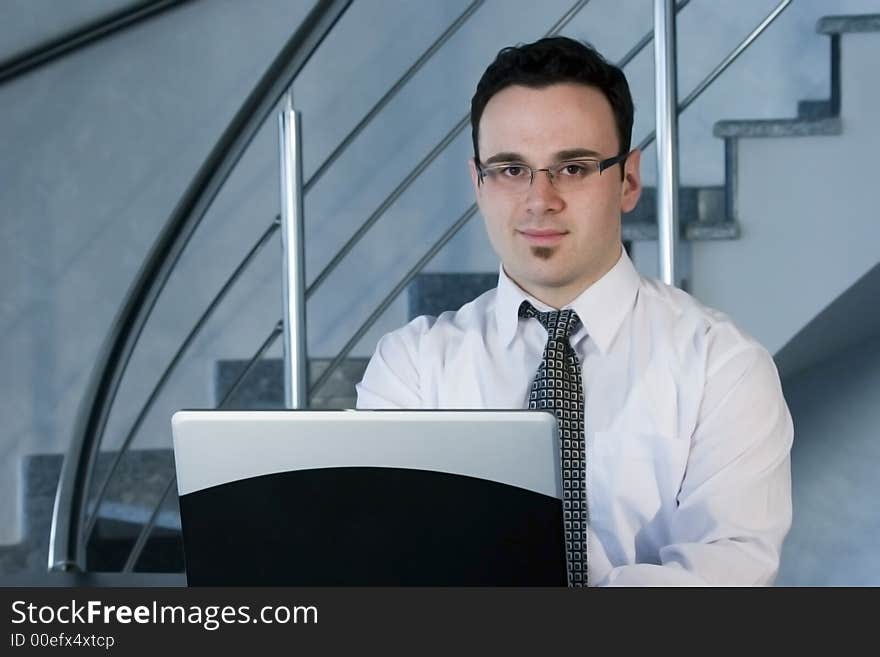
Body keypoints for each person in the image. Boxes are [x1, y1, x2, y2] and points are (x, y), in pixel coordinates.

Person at [356, 36, 793, 586]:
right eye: (512, 169)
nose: (541, 199)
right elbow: (388, 565)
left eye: (574, 167)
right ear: (478, 184)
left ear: (627, 180)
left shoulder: (722, 367)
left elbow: (728, 578)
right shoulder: (412, 367)